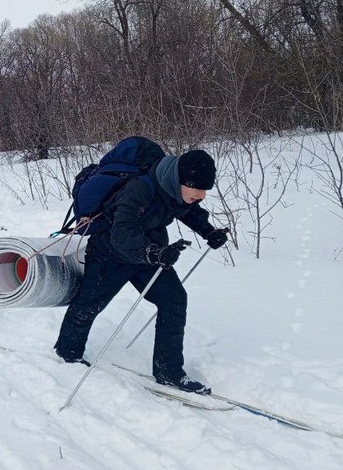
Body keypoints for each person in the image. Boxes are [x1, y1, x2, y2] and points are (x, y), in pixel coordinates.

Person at [54, 149, 228, 394]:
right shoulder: (139, 190)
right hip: (110, 253)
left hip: (149, 249)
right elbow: (122, 233)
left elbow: (188, 209)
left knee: (174, 299)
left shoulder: (178, 191)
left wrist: (209, 231)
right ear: (179, 180)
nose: (201, 195)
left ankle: (168, 370)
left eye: (205, 189)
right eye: (197, 188)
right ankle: (68, 353)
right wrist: (154, 254)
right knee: (89, 304)